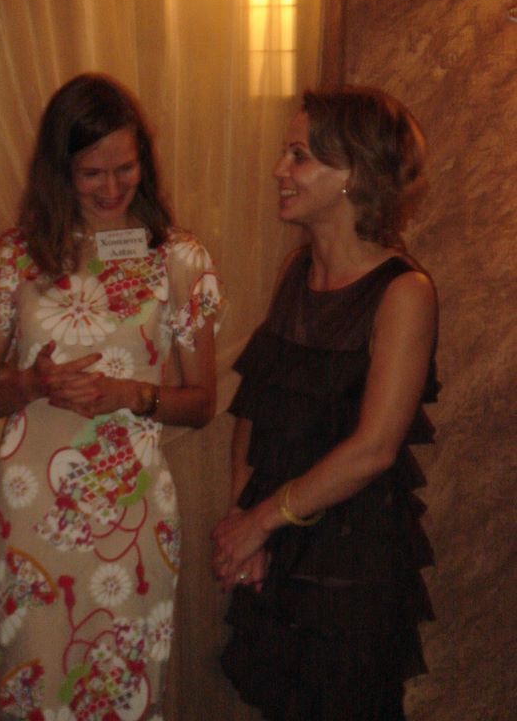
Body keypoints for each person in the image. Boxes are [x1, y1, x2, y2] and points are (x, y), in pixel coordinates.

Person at [0, 73, 222, 720]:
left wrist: (129, 393)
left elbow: (202, 403)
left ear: (144, 162)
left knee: (125, 693)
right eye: (91, 174)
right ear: (60, 171)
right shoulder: (15, 258)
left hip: (131, 516)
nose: (110, 188)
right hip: (34, 517)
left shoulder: (178, 260)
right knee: (34, 687)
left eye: (124, 169)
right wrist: (29, 385)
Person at [211, 86, 439, 720]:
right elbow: (256, 408)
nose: (279, 170)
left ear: (353, 175)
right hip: (278, 540)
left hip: (350, 562)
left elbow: (374, 450)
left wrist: (260, 522)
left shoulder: (404, 292)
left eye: (300, 156)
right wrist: (242, 520)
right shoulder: (296, 271)